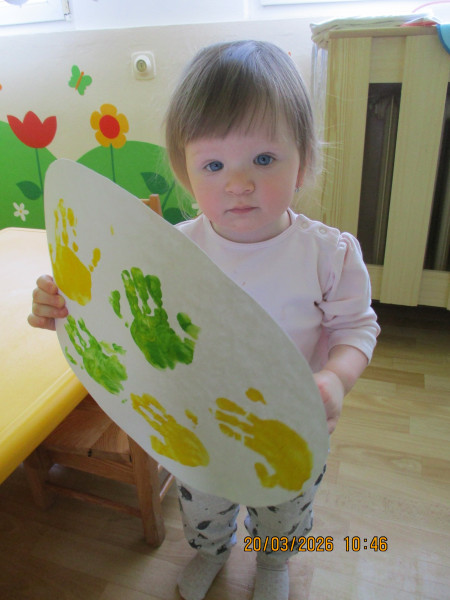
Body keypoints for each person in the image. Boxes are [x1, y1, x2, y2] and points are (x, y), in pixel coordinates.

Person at [29, 40, 380, 600]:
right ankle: (211, 553)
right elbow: (120, 312)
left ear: (304, 161)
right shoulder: (168, 249)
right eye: (213, 165)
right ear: (186, 173)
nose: (237, 183)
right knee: (204, 504)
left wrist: (336, 377)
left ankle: (272, 562)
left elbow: (356, 328)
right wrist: (64, 307)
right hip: (198, 421)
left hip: (289, 423)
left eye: (263, 159)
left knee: (284, 510)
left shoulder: (328, 254)